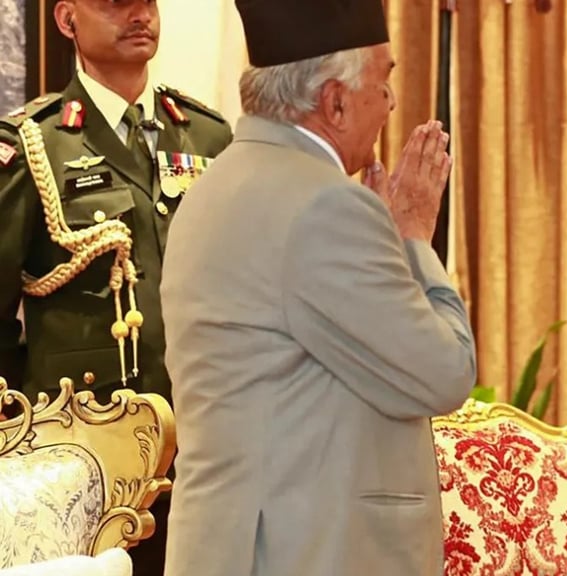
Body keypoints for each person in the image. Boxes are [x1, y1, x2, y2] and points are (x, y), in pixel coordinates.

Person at [159, 1, 478, 575]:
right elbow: (445, 373)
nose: (391, 103)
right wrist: (412, 238)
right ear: (334, 101)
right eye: (383, 81)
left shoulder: (213, 187)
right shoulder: (327, 207)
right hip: (306, 552)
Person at [0, 0, 232, 573]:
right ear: (67, 19)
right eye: (114, 3)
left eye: (147, 2)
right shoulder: (35, 143)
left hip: (208, 439)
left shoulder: (207, 135)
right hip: (86, 453)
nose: (139, 15)